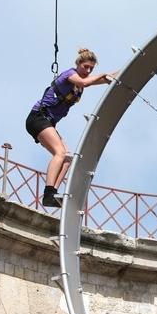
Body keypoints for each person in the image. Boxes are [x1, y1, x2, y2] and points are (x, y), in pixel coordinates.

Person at [26, 48, 116, 207]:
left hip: (48, 122)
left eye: (91, 69)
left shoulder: (82, 81)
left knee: (67, 158)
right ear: (78, 64)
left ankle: (52, 194)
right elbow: (85, 83)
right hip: (38, 117)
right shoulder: (70, 75)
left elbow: (106, 79)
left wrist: (122, 71)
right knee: (59, 153)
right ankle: (48, 192)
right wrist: (102, 75)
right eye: (86, 67)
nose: (88, 71)